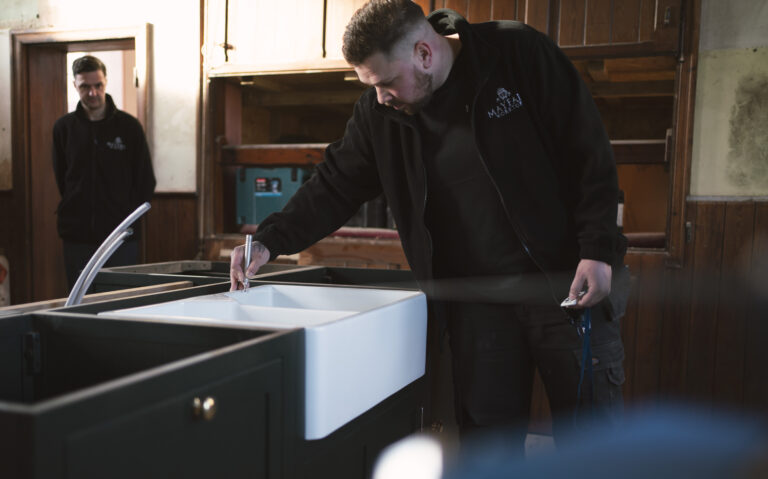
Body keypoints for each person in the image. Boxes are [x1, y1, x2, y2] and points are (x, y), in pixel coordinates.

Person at [230, 0, 629, 451]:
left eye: (385, 82)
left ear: (424, 52)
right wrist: (268, 240)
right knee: (486, 448)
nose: (380, 97)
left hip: (566, 285)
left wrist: (596, 248)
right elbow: (334, 186)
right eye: (370, 86)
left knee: (593, 445)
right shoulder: (379, 114)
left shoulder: (517, 54)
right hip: (477, 307)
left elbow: (589, 151)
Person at [53, 55, 156, 291]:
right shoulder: (63, 128)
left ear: (105, 82)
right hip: (77, 236)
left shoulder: (129, 127)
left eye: (97, 85)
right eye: (85, 86)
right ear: (75, 86)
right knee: (80, 300)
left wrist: (125, 220)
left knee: (118, 301)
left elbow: (145, 180)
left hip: (120, 237)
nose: (92, 93)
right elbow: (62, 178)